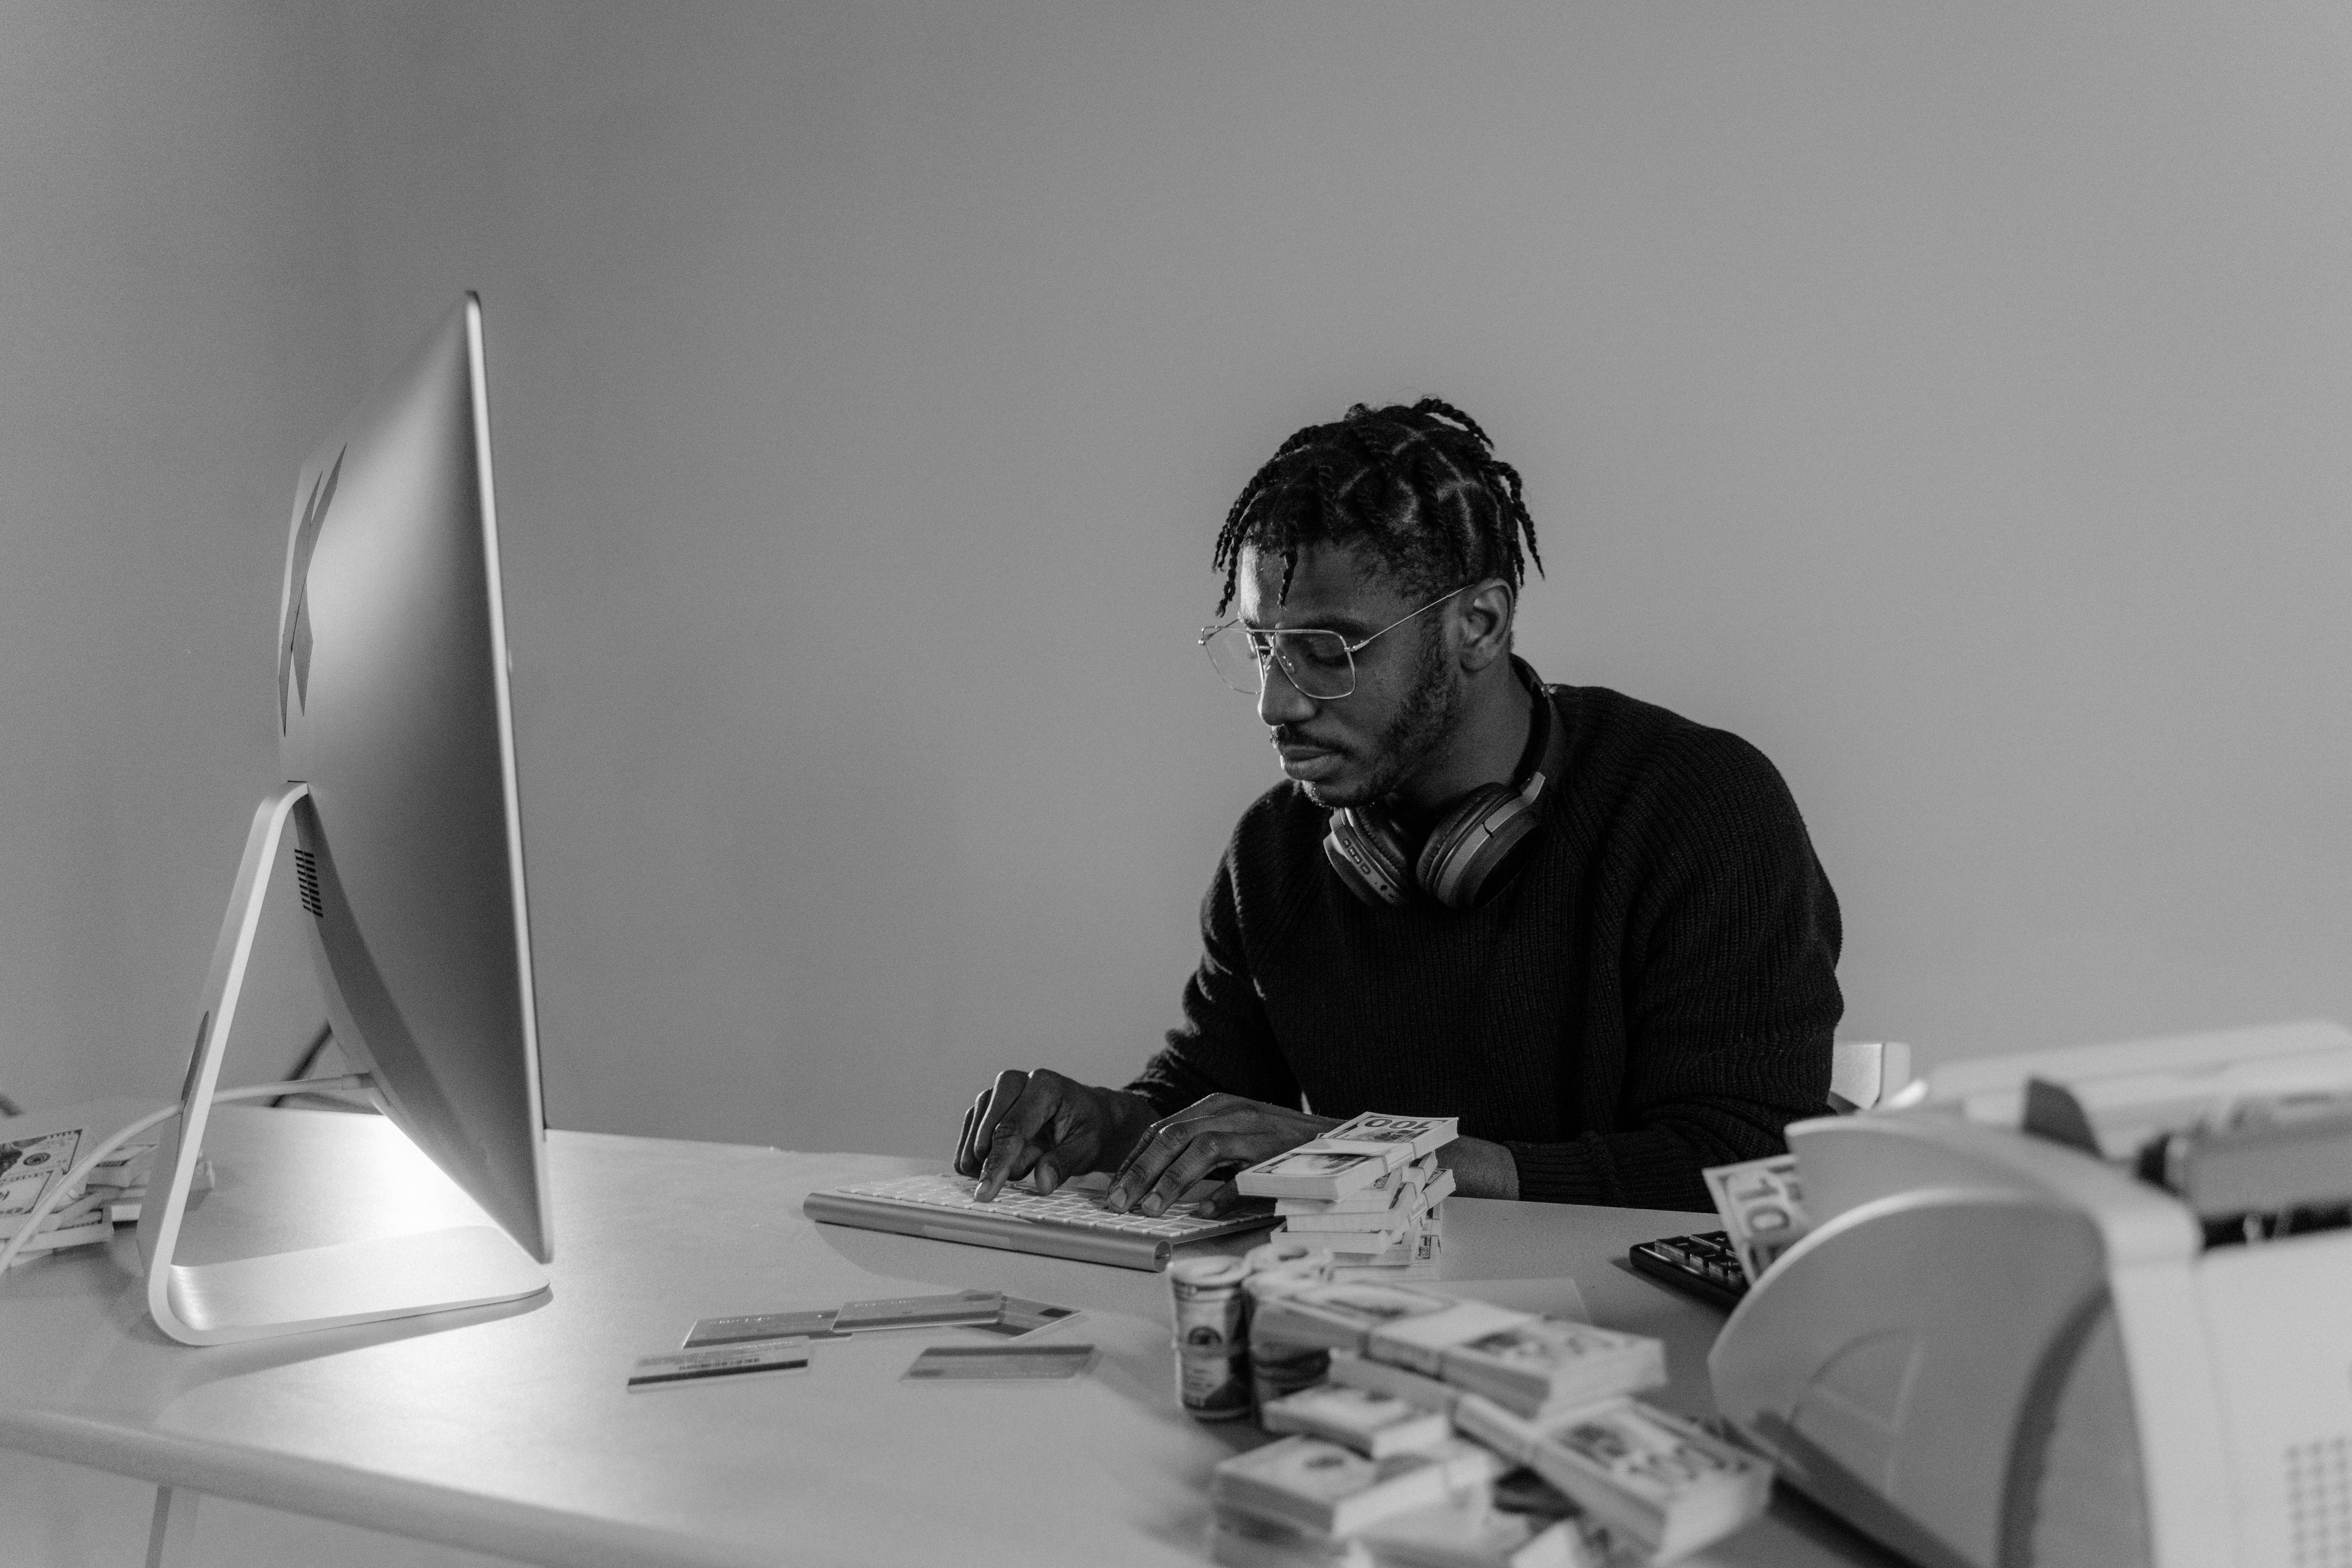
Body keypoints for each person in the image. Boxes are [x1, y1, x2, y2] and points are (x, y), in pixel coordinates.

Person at [953, 399, 1842, 1217]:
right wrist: (1107, 1127)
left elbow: (1746, 1160)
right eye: (1260, 646)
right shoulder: (1274, 851)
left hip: (1633, 1352)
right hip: (1373, 1341)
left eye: (1326, 649)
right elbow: (1207, 1096)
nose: (1276, 702)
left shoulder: (1700, 809)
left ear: (1479, 627)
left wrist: (1378, 1155)